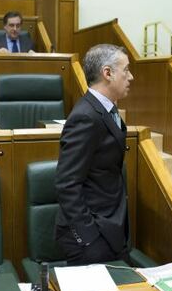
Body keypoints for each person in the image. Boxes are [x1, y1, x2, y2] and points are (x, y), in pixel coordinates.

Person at [55, 44, 134, 265]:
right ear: (107, 73)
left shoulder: (108, 108)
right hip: (92, 234)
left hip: (110, 226)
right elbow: (66, 183)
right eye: (126, 70)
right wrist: (89, 238)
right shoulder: (86, 116)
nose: (131, 76)